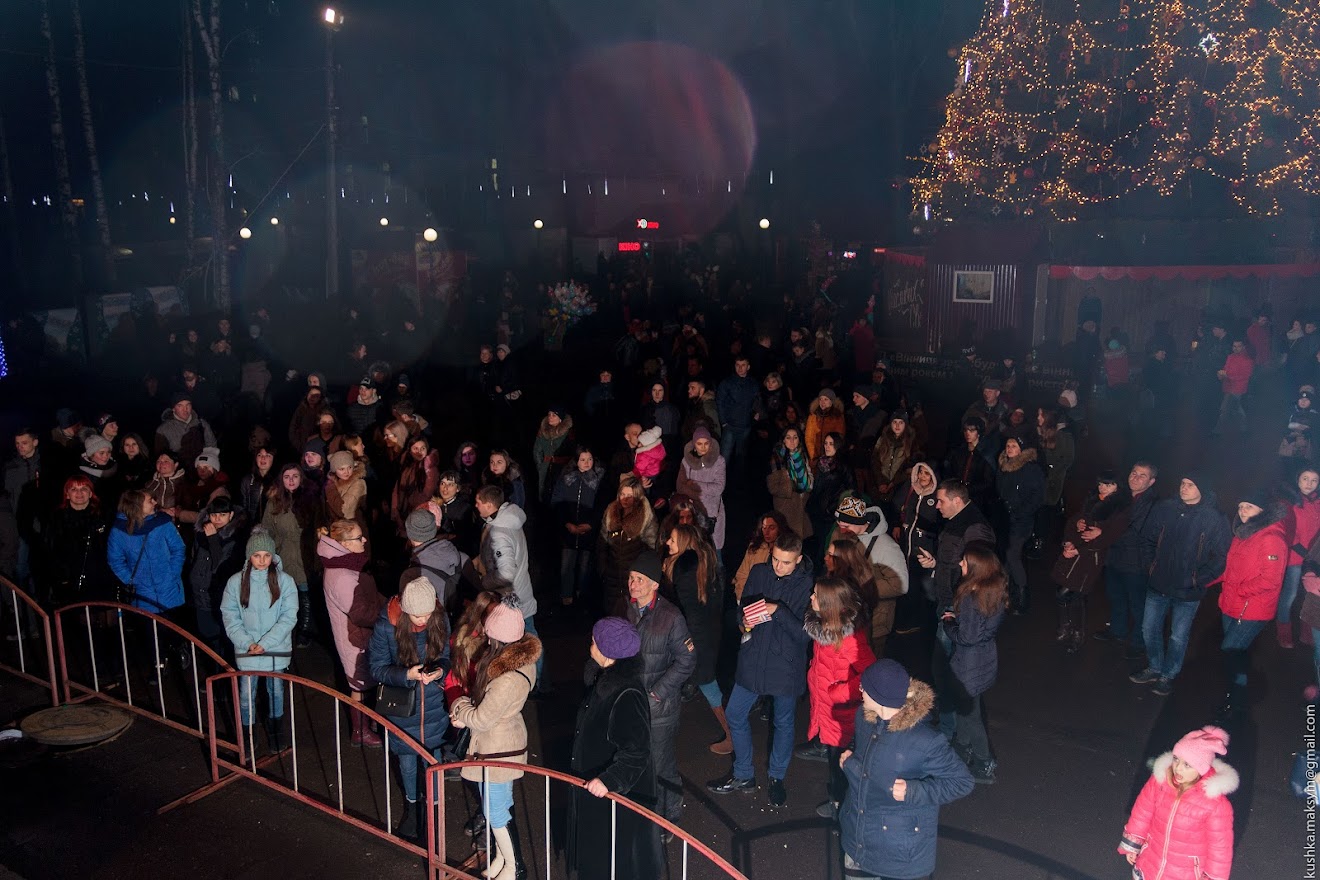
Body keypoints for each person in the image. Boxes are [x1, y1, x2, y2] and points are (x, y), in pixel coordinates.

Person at [839, 659, 974, 880]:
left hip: (899, 851)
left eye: (863, 687)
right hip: (858, 836)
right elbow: (868, 758)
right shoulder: (863, 718)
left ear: (879, 697)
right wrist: (850, 761)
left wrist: (914, 791)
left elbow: (962, 782)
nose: (859, 690)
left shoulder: (925, 740)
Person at [707, 531, 813, 807]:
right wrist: (744, 619)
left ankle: (777, 777)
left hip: (785, 665)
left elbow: (805, 635)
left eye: (786, 562)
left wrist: (777, 610)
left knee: (783, 722)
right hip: (754, 657)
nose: (778, 566)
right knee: (735, 713)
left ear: (798, 560)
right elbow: (744, 606)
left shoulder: (808, 585)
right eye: (775, 559)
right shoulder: (759, 571)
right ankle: (744, 773)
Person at [449, 601, 540, 880]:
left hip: (497, 748)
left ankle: (514, 868)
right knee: (501, 807)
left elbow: (482, 719)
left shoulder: (507, 679)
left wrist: (460, 708)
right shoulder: (522, 662)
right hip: (505, 742)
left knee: (495, 812)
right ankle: (503, 860)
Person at [569, 617, 660, 880]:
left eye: (594, 640)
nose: (591, 644)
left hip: (618, 801)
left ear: (607, 651)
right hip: (599, 795)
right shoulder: (604, 680)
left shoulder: (627, 694)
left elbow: (637, 752)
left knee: (616, 862)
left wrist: (609, 780)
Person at [1131, 472, 1230, 697]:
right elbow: (1147, 538)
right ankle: (1155, 666)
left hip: (1188, 590)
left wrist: (1196, 579)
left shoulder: (1213, 518)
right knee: (1149, 629)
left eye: (1191, 484)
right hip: (1158, 583)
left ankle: (1168, 674)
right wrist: (1151, 567)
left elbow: (1221, 557)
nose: (1184, 488)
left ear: (1202, 489)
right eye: (1183, 483)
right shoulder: (1165, 508)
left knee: (1178, 636)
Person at [369, 577, 451, 840]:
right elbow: (377, 668)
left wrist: (439, 670)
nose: (422, 619)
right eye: (416, 614)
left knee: (434, 762)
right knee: (407, 764)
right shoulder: (386, 625)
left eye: (427, 613)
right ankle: (412, 810)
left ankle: (434, 812)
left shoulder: (439, 617)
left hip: (434, 707)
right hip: (403, 710)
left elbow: (447, 657)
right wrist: (406, 675)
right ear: (404, 610)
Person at [616, 551, 694, 827]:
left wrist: (657, 693)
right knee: (635, 758)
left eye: (639, 579)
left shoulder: (671, 617)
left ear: (655, 585)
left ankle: (670, 815)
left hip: (659, 707)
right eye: (631, 578)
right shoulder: (625, 607)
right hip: (631, 702)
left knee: (662, 765)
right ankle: (642, 812)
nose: (633, 585)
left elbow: (687, 661)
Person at [1118, 726, 1236, 880]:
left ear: (1201, 768)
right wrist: (1133, 844)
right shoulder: (1160, 782)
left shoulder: (1215, 804)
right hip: (1151, 862)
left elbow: (1220, 849)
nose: (1178, 768)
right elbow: (1142, 813)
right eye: (1176, 759)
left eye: (1187, 765)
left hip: (1184, 874)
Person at [220, 529, 299, 752]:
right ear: (249, 557)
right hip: (248, 651)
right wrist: (247, 642)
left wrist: (266, 642)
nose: (262, 561)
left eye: (267, 555)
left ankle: (276, 731)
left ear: (273, 556)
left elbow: (289, 616)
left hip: (275, 650)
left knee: (276, 692)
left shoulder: (285, 581)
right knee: (246, 695)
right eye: (257, 556)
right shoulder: (236, 582)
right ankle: (248, 734)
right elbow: (230, 615)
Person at [804, 575, 874, 820]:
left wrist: (839, 693)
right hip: (828, 710)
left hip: (842, 715)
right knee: (836, 765)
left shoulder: (850, 640)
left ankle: (843, 813)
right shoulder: (826, 627)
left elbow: (870, 676)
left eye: (816, 595)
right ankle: (838, 804)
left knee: (842, 767)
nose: (811, 597)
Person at [1215, 488, 1288, 717]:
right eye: (1240, 505)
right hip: (1231, 604)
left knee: (1231, 651)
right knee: (1236, 653)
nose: (1242, 510)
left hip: (1251, 609)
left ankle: (1235, 703)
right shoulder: (1242, 534)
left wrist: (1240, 590)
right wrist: (1204, 579)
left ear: (1263, 510)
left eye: (1249, 506)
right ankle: (1234, 696)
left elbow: (1271, 579)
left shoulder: (1272, 538)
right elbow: (1229, 569)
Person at [942, 543, 1008, 784]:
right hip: (983, 660)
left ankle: (983, 761)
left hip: (967, 666)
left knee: (971, 715)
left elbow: (967, 637)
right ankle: (962, 748)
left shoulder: (972, 598)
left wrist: (949, 624)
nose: (960, 563)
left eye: (964, 561)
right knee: (967, 709)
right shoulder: (993, 592)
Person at [317, 519, 385, 747]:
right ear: (344, 544)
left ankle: (368, 724)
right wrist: (388, 614)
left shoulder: (346, 564)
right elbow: (361, 614)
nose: (364, 540)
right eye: (358, 538)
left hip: (360, 635)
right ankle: (361, 731)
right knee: (359, 684)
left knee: (366, 682)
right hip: (355, 638)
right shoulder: (342, 576)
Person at [662, 524, 727, 752]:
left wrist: (686, 643)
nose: (667, 543)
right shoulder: (701, 563)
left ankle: (732, 734)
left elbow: (688, 610)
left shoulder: (685, 567)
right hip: (705, 636)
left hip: (696, 638)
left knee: (707, 685)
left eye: (671, 539)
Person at [1050, 471, 1131, 651]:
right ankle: (1066, 626)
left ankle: (1077, 633)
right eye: (1102, 483)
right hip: (1076, 551)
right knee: (1062, 591)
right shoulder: (1093, 500)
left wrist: (1091, 538)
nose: (1103, 488)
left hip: (1090, 557)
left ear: (1118, 487)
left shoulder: (1120, 508)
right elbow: (1074, 521)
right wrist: (1070, 538)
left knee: (1077, 593)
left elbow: (1111, 536)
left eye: (1109, 484)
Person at [1095, 462, 1158, 658]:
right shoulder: (1121, 497)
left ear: (1151, 482)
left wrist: (1103, 533)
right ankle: (1118, 631)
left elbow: (1136, 533)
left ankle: (1139, 642)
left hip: (1135, 562)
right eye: (1134, 472)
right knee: (1116, 597)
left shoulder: (1151, 503)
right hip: (1114, 558)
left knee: (1138, 605)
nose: (1136, 477)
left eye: (1142, 475)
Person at [107, 488, 186, 618]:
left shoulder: (162, 522)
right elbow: (115, 560)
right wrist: (130, 579)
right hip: (142, 596)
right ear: (136, 505)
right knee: (150, 634)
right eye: (150, 501)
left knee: (173, 633)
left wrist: (172, 573)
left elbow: (178, 548)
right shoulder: (119, 530)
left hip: (170, 591)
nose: (155, 502)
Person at [996, 433, 1044, 615]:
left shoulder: (1031, 469)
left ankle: (1023, 596)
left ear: (1022, 449)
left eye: (1014, 446)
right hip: (1004, 520)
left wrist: (1018, 511)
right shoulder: (1003, 467)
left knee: (1012, 554)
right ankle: (1004, 595)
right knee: (1005, 557)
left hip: (1021, 521)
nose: (1009, 449)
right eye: (1008, 446)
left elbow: (1037, 497)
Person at [597, 475, 660, 612]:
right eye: (622, 494)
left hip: (633, 577)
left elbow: (650, 545)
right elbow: (602, 543)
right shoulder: (611, 511)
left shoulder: (645, 515)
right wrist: (603, 568)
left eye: (629, 495)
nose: (624, 499)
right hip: (612, 575)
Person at [551, 447, 604, 607]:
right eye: (583, 459)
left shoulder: (599, 478)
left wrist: (590, 525)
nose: (587, 463)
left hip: (588, 531)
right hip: (569, 531)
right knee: (567, 564)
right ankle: (566, 594)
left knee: (585, 565)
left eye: (589, 459)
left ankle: (582, 593)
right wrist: (567, 523)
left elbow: (601, 505)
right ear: (576, 461)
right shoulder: (566, 478)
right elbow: (557, 502)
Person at [1279, 466, 1320, 649]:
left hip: (1314, 559)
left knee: (1310, 596)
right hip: (1295, 558)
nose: (1309, 484)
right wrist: (1304, 553)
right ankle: (1284, 632)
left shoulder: (1318, 502)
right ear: (1297, 480)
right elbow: (1287, 531)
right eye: (1305, 479)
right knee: (1290, 596)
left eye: (1314, 480)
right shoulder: (1290, 502)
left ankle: (1306, 631)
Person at [676, 426, 727, 552]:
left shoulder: (719, 461)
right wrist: (704, 490)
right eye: (699, 443)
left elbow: (719, 488)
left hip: (712, 511)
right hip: (693, 510)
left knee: (715, 547)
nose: (703, 447)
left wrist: (693, 485)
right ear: (694, 444)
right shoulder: (686, 461)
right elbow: (680, 486)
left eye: (706, 443)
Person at [766, 426, 813, 543]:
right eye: (788, 437)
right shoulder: (777, 458)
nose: (792, 441)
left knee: (797, 543)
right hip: (785, 508)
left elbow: (808, 481)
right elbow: (772, 487)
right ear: (783, 440)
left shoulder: (803, 456)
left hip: (801, 506)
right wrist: (790, 488)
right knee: (786, 542)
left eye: (795, 437)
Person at [731, 512, 788, 604]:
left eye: (772, 528)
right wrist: (742, 598)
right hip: (751, 599)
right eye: (764, 528)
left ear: (780, 528)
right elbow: (742, 574)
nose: (767, 532)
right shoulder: (755, 547)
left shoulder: (787, 550)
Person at [531, 406, 575, 503]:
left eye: (554, 415)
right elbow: (537, 450)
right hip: (546, 467)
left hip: (562, 468)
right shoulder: (543, 431)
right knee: (544, 494)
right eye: (549, 414)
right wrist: (541, 465)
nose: (550, 417)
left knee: (559, 494)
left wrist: (568, 468)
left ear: (560, 418)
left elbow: (572, 451)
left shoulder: (568, 433)